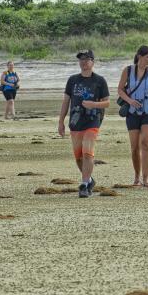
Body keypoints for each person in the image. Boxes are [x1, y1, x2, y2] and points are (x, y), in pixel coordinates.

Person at [58, 50, 110, 198]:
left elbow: (107, 103)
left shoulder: (99, 81)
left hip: (92, 121)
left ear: (92, 62)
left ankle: (84, 184)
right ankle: (89, 180)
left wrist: (93, 104)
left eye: (87, 59)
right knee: (79, 157)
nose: (83, 62)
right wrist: (61, 121)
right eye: (81, 59)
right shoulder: (73, 80)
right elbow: (66, 101)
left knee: (88, 153)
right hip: (75, 122)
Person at [117, 45, 148, 188]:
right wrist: (130, 100)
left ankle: (146, 178)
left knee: (145, 144)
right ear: (140, 56)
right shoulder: (127, 70)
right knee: (134, 147)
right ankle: (136, 177)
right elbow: (120, 89)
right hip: (132, 112)